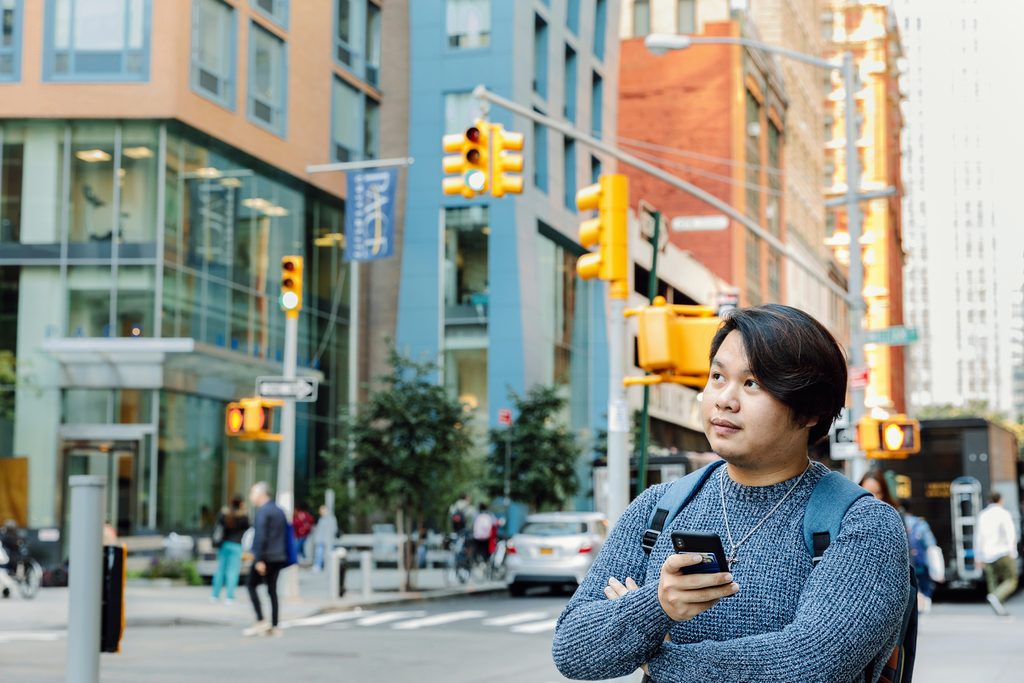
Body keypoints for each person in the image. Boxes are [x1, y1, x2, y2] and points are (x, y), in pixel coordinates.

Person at [552, 304, 911, 682]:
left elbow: (807, 665)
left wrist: (657, 658)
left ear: (809, 411)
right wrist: (656, 605)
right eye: (718, 376)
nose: (724, 399)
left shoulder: (864, 524)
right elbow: (572, 649)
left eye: (752, 383)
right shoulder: (658, 506)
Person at [243, 482, 288, 637]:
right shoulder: (279, 511)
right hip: (279, 556)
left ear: (262, 494)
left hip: (265, 557)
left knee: (251, 585)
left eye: (253, 493)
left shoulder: (263, 512)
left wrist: (259, 559)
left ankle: (261, 620)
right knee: (272, 590)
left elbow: (261, 536)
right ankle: (275, 625)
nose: (251, 497)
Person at [977, 491, 1019, 616]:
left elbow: (978, 537)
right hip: (1003, 551)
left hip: (987, 554)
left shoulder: (982, 515)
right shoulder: (1004, 514)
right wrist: (1013, 551)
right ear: (1000, 500)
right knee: (1011, 580)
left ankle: (999, 606)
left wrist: (978, 556)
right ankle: (996, 597)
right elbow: (1010, 534)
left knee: (993, 582)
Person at [899, 498, 943, 613]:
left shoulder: (896, 521)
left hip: (904, 564)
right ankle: (923, 605)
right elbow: (931, 544)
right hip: (920, 563)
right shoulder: (920, 524)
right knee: (924, 587)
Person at [211, 495, 250, 604]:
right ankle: (229, 596)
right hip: (236, 545)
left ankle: (215, 595)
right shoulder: (243, 516)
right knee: (233, 571)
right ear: (241, 503)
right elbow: (248, 529)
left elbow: (218, 527)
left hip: (224, 544)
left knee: (220, 570)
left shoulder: (224, 514)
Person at [312, 504, 338, 572]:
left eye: (322, 510)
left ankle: (324, 566)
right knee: (319, 553)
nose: (320, 512)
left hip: (327, 540)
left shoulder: (331, 518)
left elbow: (333, 529)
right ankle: (318, 566)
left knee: (326, 553)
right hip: (320, 540)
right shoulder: (321, 519)